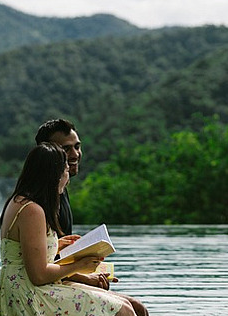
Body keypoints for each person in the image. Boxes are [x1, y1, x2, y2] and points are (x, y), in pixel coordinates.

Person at [0, 142, 137, 315]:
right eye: (66, 171)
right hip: (29, 294)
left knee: (131, 307)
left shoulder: (20, 201)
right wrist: (79, 265)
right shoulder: (32, 210)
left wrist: (55, 244)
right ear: (54, 175)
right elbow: (38, 275)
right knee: (124, 311)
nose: (68, 177)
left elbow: (22, 251)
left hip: (25, 288)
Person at [35, 119, 149, 316]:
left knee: (140, 308)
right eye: (66, 149)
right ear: (48, 153)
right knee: (128, 311)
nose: (74, 154)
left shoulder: (61, 191)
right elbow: (39, 267)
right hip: (49, 283)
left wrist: (91, 268)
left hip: (62, 276)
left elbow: (54, 254)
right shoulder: (38, 201)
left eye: (77, 147)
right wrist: (85, 277)